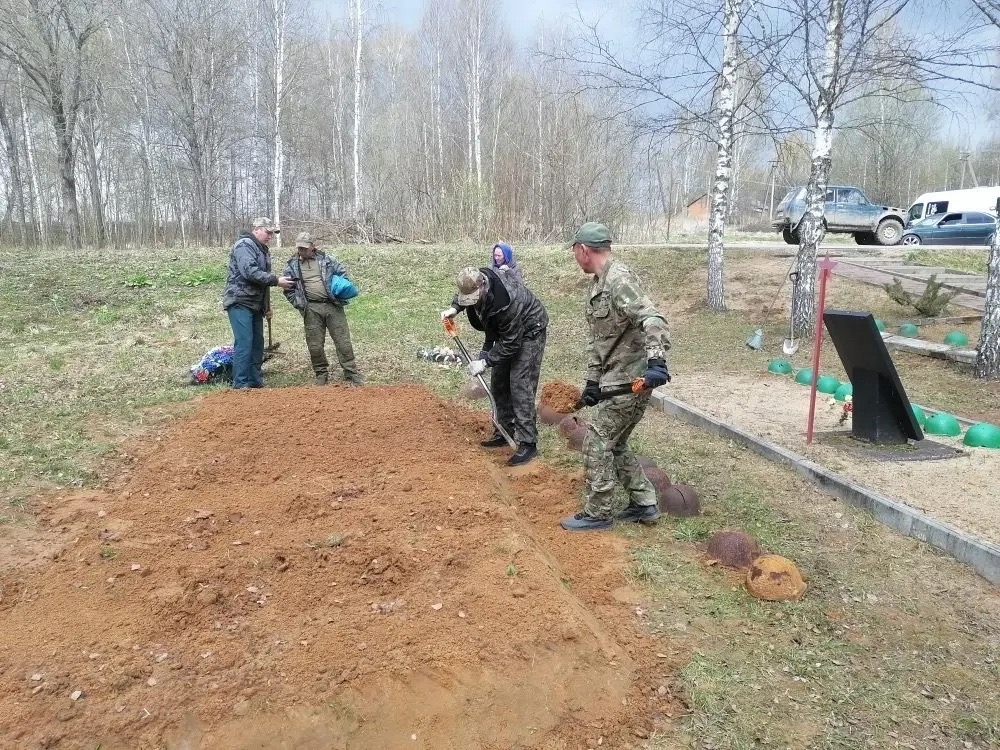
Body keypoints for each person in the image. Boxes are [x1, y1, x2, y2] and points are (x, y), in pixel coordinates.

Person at [560, 221, 671, 531]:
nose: (574, 257)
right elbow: (601, 340)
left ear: (583, 250)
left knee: (596, 441)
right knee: (616, 442)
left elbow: (653, 318)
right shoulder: (599, 284)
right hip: (615, 378)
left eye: (574, 251)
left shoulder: (619, 280)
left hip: (632, 380)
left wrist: (657, 361)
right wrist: (592, 381)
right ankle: (644, 503)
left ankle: (598, 512)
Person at [440, 265, 548, 466]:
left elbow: (511, 343)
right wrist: (454, 308)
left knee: (519, 383)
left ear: (483, 286)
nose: (471, 301)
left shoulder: (507, 300)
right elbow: (464, 295)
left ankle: (528, 443)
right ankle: (504, 432)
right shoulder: (474, 281)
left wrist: (485, 361)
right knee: (498, 382)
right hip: (505, 333)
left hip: (529, 331)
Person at [221, 217, 295, 389]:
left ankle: (255, 381)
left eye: (272, 233)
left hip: (255, 303)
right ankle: (241, 382)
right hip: (240, 301)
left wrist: (266, 306)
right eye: (268, 232)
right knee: (244, 342)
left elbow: (263, 284)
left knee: (257, 344)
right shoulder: (244, 245)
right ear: (256, 229)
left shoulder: (262, 249)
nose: (270, 236)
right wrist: (276, 280)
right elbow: (250, 272)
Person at [282, 232, 363, 386]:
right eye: (299, 248)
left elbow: (343, 274)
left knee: (343, 341)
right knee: (315, 345)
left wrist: (340, 289)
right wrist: (299, 304)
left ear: (313, 246)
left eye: (304, 248)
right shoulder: (292, 265)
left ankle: (351, 372)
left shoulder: (327, 260)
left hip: (332, 306)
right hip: (311, 308)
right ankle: (321, 373)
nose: (301, 251)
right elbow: (288, 288)